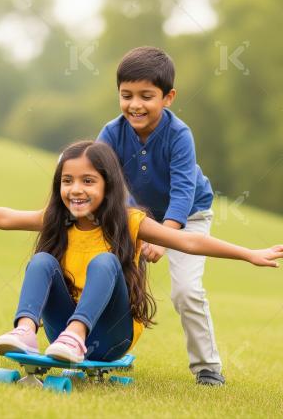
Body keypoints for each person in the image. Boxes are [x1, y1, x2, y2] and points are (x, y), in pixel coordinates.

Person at [0, 141, 283, 365]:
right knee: (42, 261)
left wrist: (249, 253)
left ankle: (77, 336)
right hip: (60, 329)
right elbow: (6, 216)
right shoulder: (58, 220)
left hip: (112, 337)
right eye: (67, 181)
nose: (75, 190)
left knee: (105, 261)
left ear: (108, 185)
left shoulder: (129, 221)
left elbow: (189, 242)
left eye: (87, 181)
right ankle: (25, 332)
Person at [97, 46, 228, 385]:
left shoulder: (179, 135)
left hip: (189, 216)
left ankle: (207, 368)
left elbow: (184, 190)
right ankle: (101, 353)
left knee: (185, 291)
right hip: (137, 215)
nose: (135, 104)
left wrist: (166, 237)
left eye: (146, 96)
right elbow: (102, 179)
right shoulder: (111, 133)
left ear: (168, 97)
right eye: (126, 95)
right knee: (111, 280)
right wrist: (131, 224)